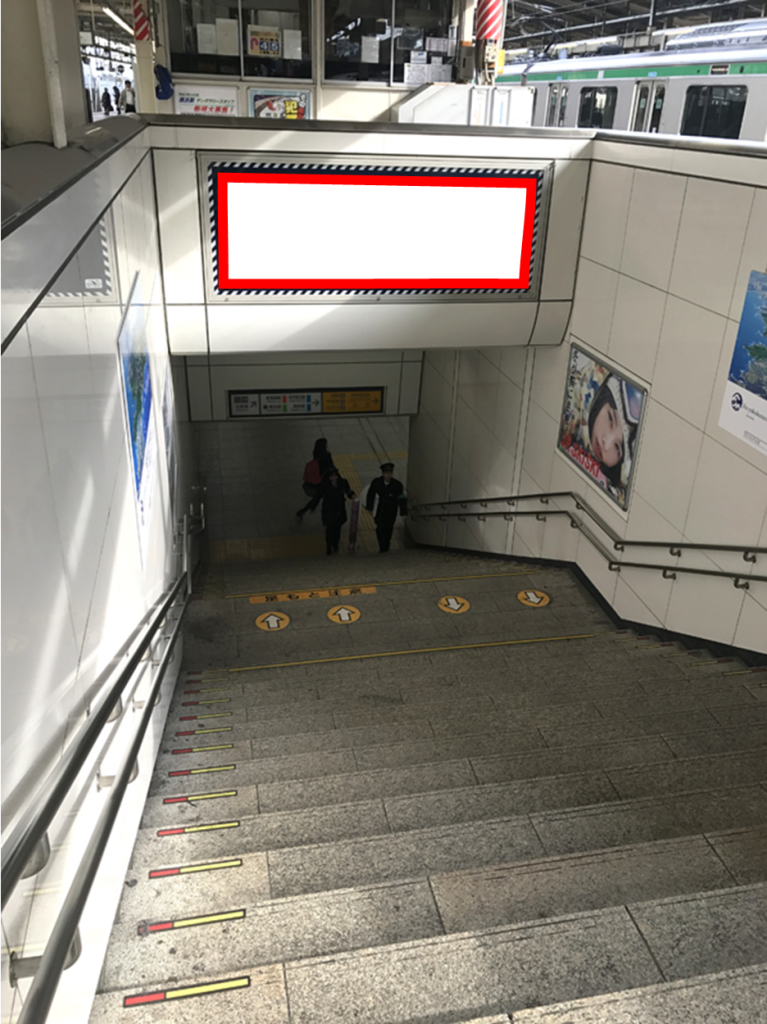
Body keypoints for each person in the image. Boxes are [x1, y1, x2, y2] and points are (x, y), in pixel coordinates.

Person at [365, 462, 407, 553]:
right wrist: (370, 508)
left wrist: (403, 512)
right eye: (386, 473)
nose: (388, 475)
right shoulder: (376, 483)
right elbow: (370, 495)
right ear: (383, 473)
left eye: (390, 473)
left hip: (391, 511)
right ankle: (382, 546)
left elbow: (401, 498)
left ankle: (386, 544)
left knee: (389, 528)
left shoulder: (397, 485)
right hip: (379, 510)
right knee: (380, 528)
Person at [320, 467, 354, 555]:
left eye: (335, 476)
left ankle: (335, 545)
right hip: (329, 510)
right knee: (329, 529)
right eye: (331, 477)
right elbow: (318, 495)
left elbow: (348, 490)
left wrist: (352, 496)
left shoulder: (343, 482)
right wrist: (312, 505)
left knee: (337, 529)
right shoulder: (324, 485)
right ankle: (329, 547)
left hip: (339, 509)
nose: (334, 478)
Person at [296, 438, 333, 519]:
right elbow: (330, 468)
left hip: (315, 481)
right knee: (325, 496)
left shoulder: (316, 454)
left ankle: (304, 511)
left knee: (317, 497)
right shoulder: (326, 456)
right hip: (323, 481)